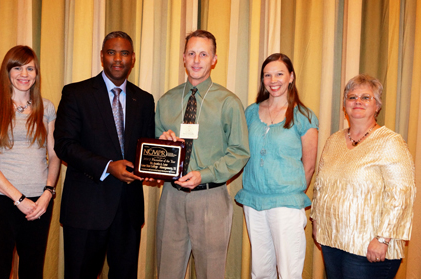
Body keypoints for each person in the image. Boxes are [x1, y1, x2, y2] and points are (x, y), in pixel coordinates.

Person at [54, 31, 155, 278]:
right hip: (86, 209)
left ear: (133, 58)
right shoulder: (76, 93)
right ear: (102, 56)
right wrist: (108, 166)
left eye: (124, 53)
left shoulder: (143, 99)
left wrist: (153, 170)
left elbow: (146, 148)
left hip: (127, 210)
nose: (118, 59)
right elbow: (64, 145)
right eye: (111, 52)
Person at [155, 30, 250, 278]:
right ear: (183, 58)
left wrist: (204, 174)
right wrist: (162, 144)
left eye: (204, 54)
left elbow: (239, 152)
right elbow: (155, 151)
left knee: (211, 273)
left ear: (214, 59)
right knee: (167, 271)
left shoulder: (228, 102)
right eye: (191, 53)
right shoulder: (166, 101)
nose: (197, 60)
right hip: (171, 198)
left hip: (211, 198)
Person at [311, 74, 416, 279]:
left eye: (366, 97)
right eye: (352, 97)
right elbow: (320, 186)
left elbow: (401, 195)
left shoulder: (390, 142)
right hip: (333, 240)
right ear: (345, 105)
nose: (358, 101)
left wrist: (383, 239)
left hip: (370, 246)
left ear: (377, 106)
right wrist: (317, 223)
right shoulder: (333, 141)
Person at [0, 45, 60, 279]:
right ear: (7, 71)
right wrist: (19, 198)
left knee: (33, 272)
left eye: (30, 68)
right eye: (18, 67)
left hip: (39, 204)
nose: (24, 74)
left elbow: (54, 156)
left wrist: (47, 193)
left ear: (36, 73)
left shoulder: (47, 107)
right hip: (1, 202)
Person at [235, 53, 319, 278]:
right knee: (260, 271)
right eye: (267, 75)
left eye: (279, 74)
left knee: (289, 272)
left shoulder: (304, 116)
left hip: (286, 204)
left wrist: (289, 194)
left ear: (291, 77)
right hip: (253, 202)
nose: (273, 80)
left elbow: (309, 166)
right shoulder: (251, 112)